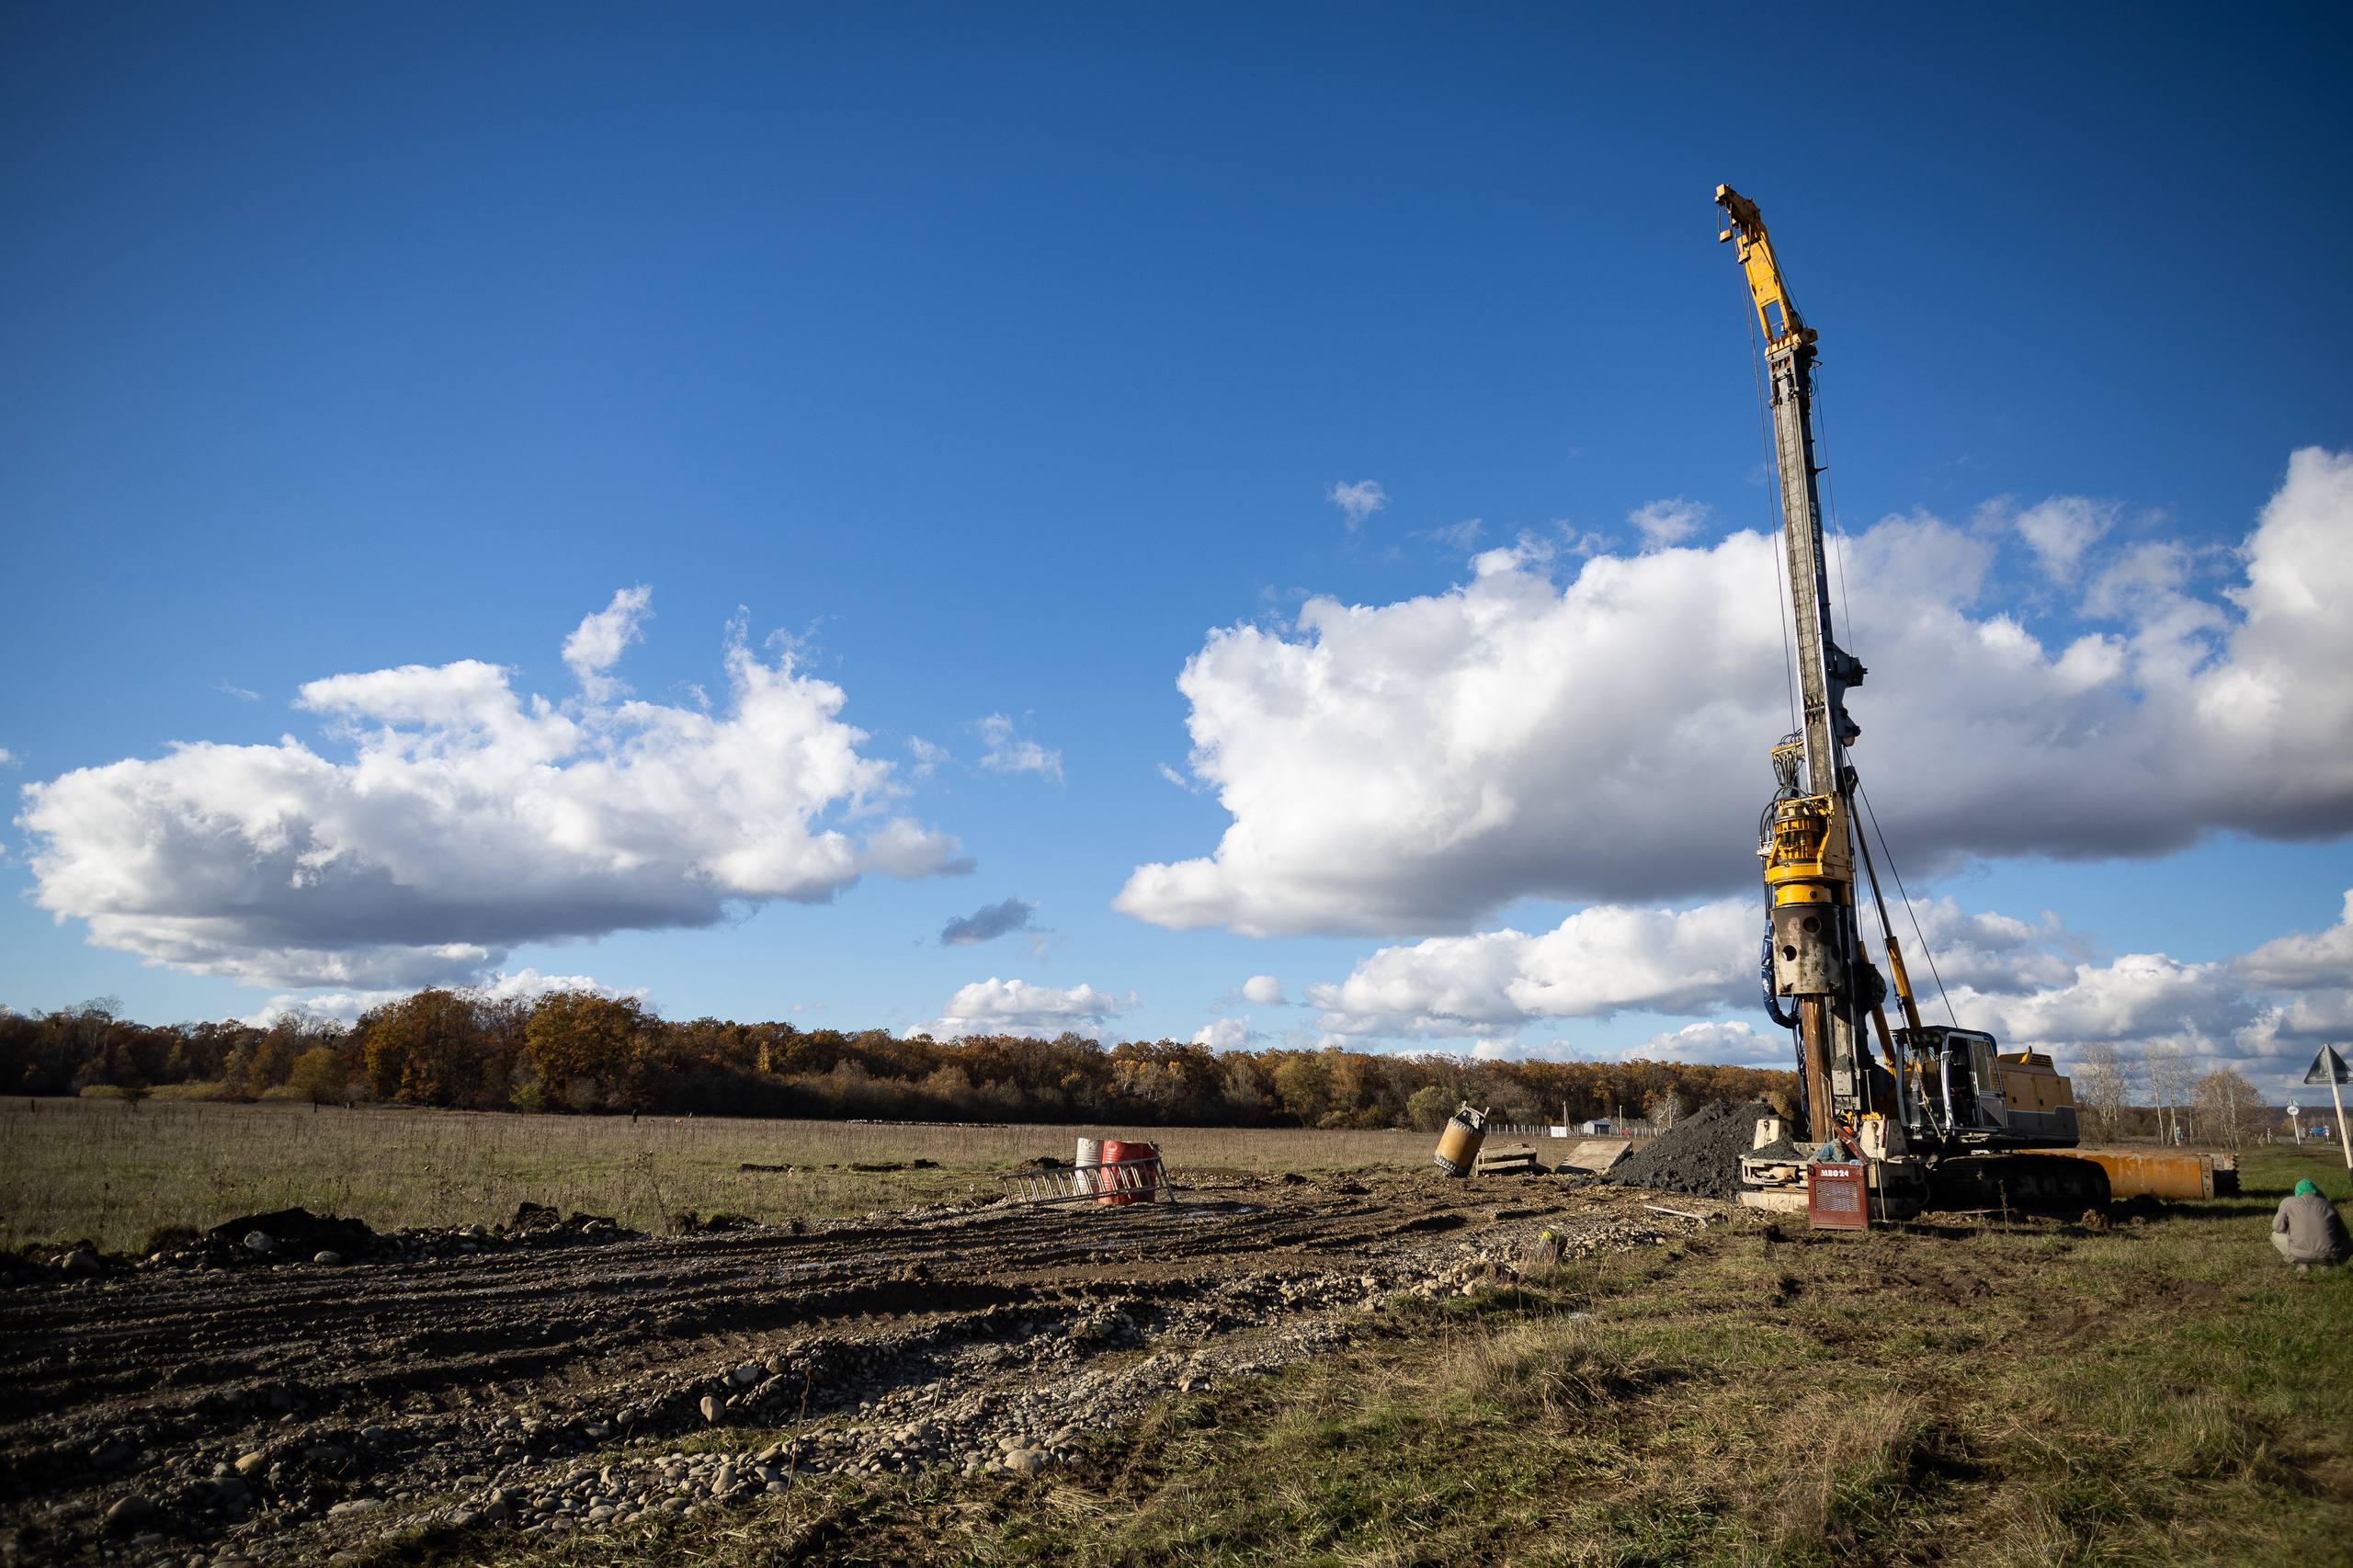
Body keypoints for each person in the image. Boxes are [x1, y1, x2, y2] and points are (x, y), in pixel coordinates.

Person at [2270, 1178, 2352, 1275]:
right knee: (2350, 1243)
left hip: (2298, 1253)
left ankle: (2300, 1264)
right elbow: (2344, 1234)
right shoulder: (2328, 1204)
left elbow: (2277, 1228)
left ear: (2297, 1192)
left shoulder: (2288, 1202)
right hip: (2331, 1253)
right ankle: (2330, 1265)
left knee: (2275, 1235)